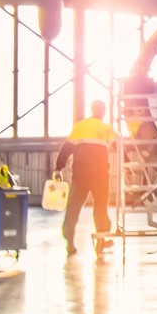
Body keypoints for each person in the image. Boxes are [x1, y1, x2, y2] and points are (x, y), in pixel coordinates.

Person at [55, 100, 118, 255]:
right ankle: (101, 241)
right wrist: (130, 166)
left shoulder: (80, 127)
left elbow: (66, 149)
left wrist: (58, 168)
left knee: (74, 208)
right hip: (100, 176)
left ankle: (69, 241)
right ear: (103, 112)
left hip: (80, 175)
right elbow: (119, 147)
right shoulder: (106, 129)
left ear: (91, 109)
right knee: (101, 208)